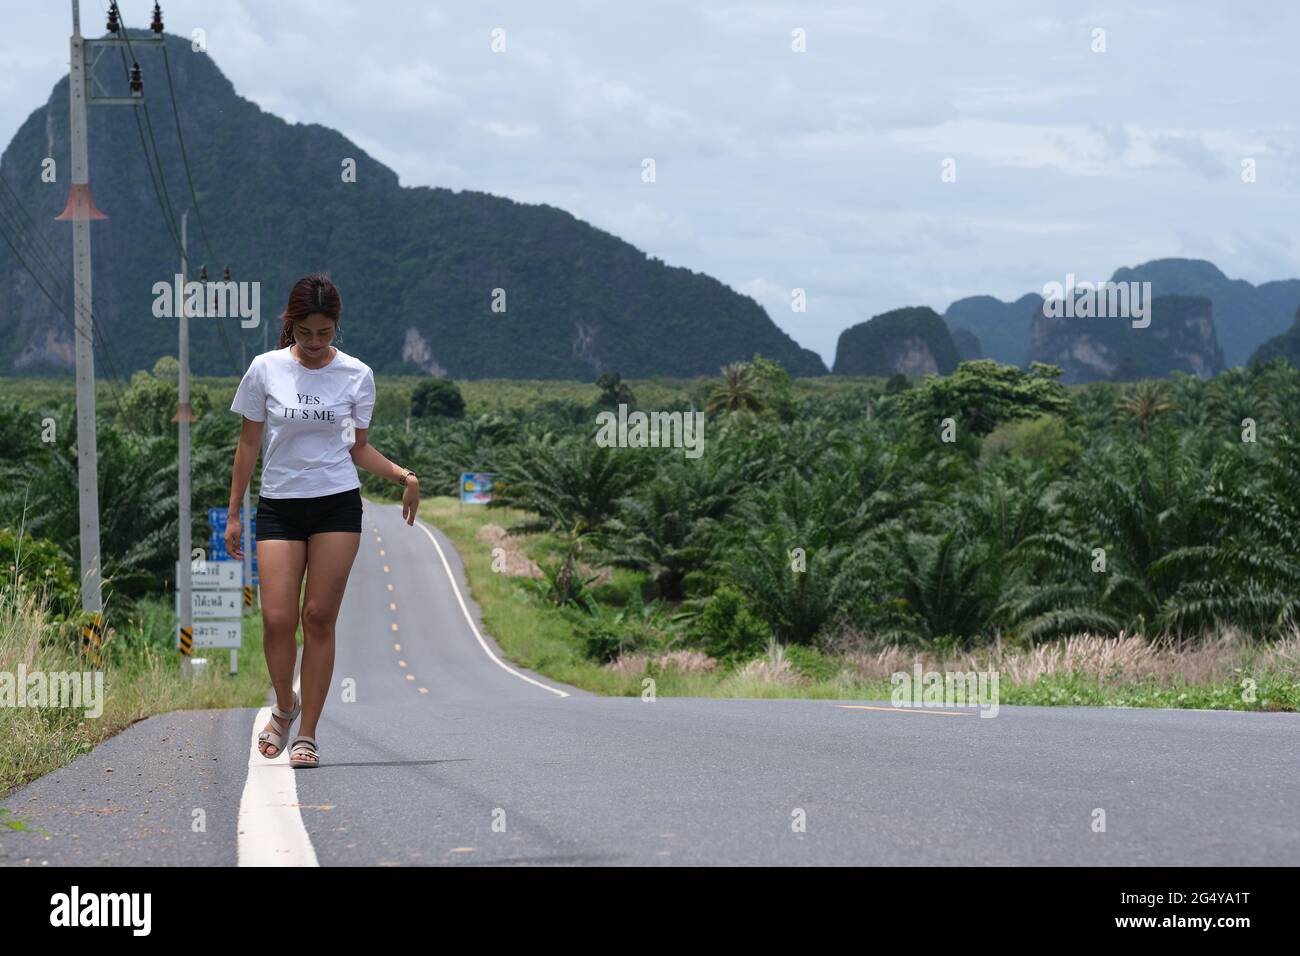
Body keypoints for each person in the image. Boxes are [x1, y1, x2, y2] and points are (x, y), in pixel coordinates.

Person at [224, 273, 421, 768]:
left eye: (324, 333)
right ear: (290, 325)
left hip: (336, 504)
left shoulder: (357, 374)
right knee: (276, 620)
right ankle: (285, 708)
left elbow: (358, 448)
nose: (314, 344)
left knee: (317, 618)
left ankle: (307, 733)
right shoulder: (265, 369)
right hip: (280, 505)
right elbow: (249, 443)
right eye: (305, 332)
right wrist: (234, 512)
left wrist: (403, 476)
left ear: (336, 327)